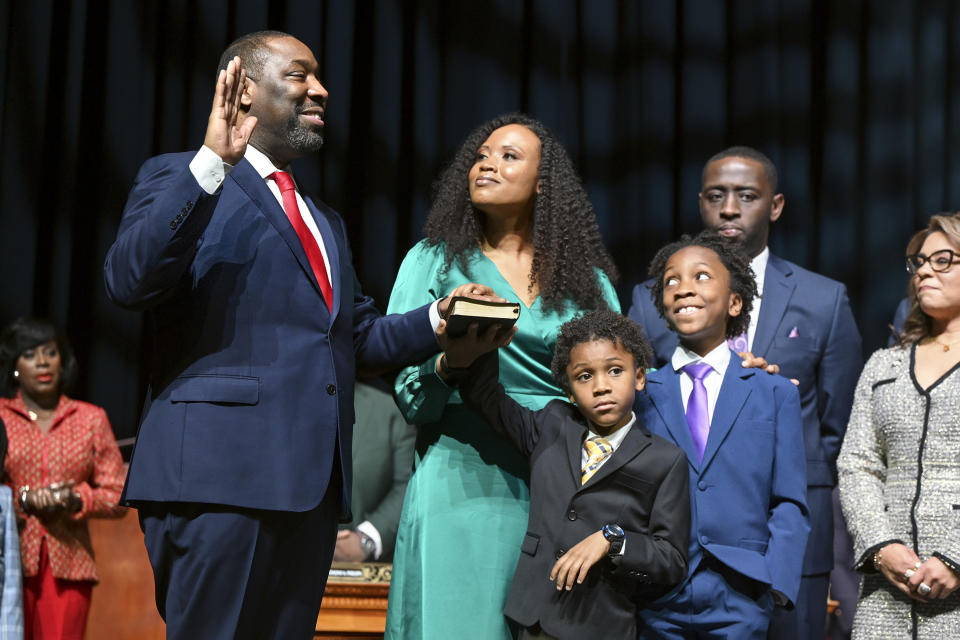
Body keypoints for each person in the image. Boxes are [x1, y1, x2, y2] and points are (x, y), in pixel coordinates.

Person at [103, 31, 493, 639]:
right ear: (244, 89)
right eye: (300, 75)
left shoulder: (324, 220)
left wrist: (437, 319)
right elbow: (130, 279)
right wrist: (212, 163)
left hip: (308, 494)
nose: (321, 89)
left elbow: (352, 337)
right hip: (218, 482)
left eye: (319, 77)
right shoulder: (181, 176)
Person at [384, 113, 621, 638]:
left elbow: (617, 395)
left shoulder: (589, 283)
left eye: (509, 156)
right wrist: (454, 363)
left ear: (544, 183)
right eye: (481, 156)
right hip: (460, 475)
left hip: (559, 487)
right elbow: (408, 395)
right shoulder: (435, 262)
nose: (487, 163)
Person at [628, 146, 861, 640]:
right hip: (677, 549)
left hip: (783, 537)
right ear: (700, 203)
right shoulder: (653, 303)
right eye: (716, 196)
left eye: (746, 196)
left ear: (774, 205)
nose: (729, 208)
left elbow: (837, 425)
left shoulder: (825, 299)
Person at [449, 309, 689, 639]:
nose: (602, 386)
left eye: (615, 371)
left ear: (640, 377)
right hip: (533, 616)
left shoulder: (666, 459)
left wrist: (612, 539)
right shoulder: (551, 426)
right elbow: (486, 397)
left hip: (599, 624)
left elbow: (672, 559)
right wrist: (487, 334)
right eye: (584, 376)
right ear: (570, 392)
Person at [635, 231, 809, 638]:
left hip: (742, 594)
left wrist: (776, 584)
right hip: (658, 593)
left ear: (734, 302)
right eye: (671, 281)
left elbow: (789, 501)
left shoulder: (774, 392)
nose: (683, 289)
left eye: (701, 276)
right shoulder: (641, 393)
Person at [837, 212, 960, 638]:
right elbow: (857, 464)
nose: (925, 269)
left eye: (943, 259)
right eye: (920, 262)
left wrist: (955, 557)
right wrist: (881, 545)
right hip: (887, 589)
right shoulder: (883, 365)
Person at [0, 317, 125, 640]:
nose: (42, 362)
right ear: (14, 365)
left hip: (69, 567)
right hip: (8, 559)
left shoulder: (90, 418)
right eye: (29, 354)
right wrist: (22, 500)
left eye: (50, 352)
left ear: (63, 360)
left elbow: (118, 492)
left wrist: (76, 498)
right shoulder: (0, 416)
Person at [333, 380, 415, 562]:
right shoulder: (276, 407)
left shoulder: (392, 411)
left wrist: (366, 539)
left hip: (373, 568)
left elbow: (408, 485)